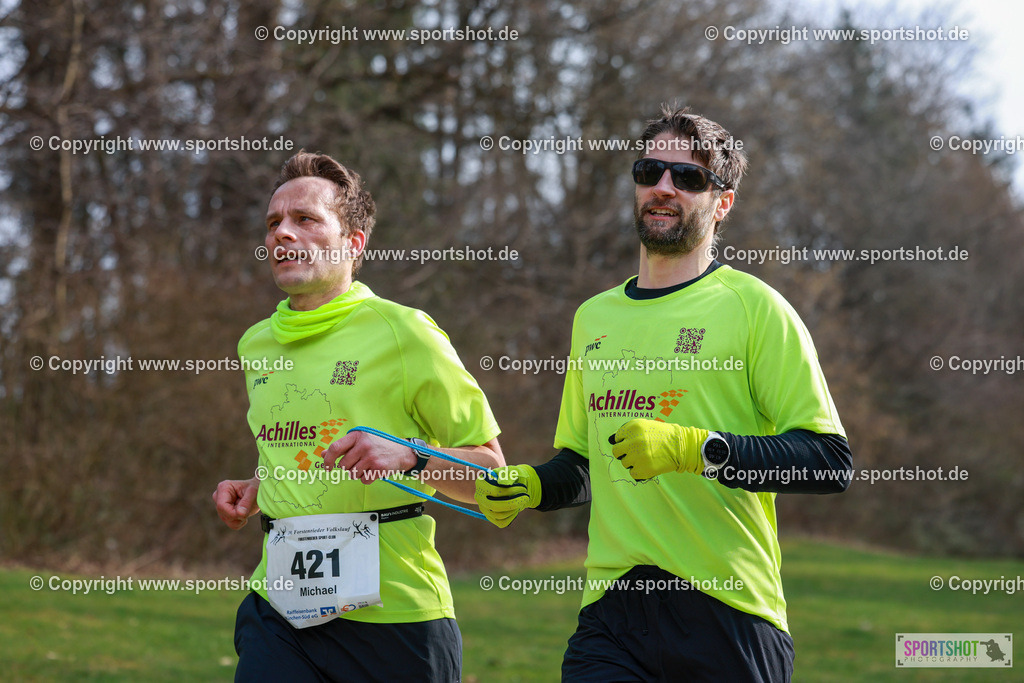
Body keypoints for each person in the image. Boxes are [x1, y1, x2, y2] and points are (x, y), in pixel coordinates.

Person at [475, 106, 852, 682]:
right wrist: (532, 486)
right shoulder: (593, 317)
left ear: (722, 202)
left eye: (689, 177)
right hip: (612, 614)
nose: (664, 187)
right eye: (650, 171)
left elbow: (828, 461)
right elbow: (587, 465)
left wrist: (693, 450)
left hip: (729, 610)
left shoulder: (756, 309)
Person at [213, 151, 502, 682]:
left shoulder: (406, 332)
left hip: (395, 620)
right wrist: (261, 484)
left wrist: (411, 457)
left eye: (305, 219)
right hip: (280, 612)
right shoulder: (256, 344)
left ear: (353, 243)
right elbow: (307, 449)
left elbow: (493, 479)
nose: (282, 233)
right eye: (274, 223)